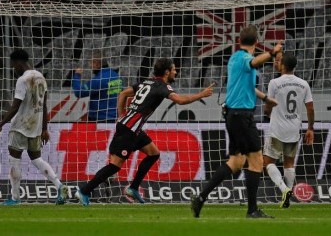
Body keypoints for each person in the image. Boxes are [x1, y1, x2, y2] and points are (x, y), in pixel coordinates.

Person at [75, 58, 215, 206]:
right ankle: (84, 191)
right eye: (173, 69)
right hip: (128, 130)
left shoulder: (146, 82)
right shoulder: (162, 86)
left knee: (154, 153)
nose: (175, 72)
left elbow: (123, 94)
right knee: (114, 166)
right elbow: (179, 100)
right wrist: (201, 94)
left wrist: (122, 115)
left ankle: (133, 188)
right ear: (167, 72)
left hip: (133, 128)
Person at [191, 25, 282, 218]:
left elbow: (246, 86)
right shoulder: (244, 58)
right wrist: (272, 52)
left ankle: (201, 198)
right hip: (241, 116)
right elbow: (255, 62)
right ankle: (252, 210)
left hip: (234, 115)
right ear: (256, 43)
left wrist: (265, 98)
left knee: (236, 161)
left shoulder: (233, 59)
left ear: (238, 41)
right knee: (257, 160)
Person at [0, 49, 68, 205]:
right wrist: (44, 129)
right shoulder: (41, 77)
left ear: (19, 63)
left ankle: (15, 198)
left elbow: (15, 106)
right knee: (36, 158)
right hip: (35, 127)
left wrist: (0, 125)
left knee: (14, 160)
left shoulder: (23, 80)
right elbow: (45, 105)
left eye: (14, 65)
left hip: (20, 126)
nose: (14, 68)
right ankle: (59, 185)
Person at [263, 53, 314, 208]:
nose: (276, 63)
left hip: (277, 129)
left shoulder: (274, 82)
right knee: (289, 163)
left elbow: (269, 105)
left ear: (283, 66)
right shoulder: (304, 84)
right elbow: (310, 108)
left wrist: (267, 111)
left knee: (268, 162)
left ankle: (284, 189)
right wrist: (310, 128)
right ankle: (288, 196)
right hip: (294, 129)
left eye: (279, 62)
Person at [72, 50, 122, 122]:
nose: (90, 66)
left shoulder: (98, 80)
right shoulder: (116, 76)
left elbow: (79, 92)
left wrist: (77, 75)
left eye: (91, 63)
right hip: (115, 118)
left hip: (101, 119)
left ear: (97, 64)